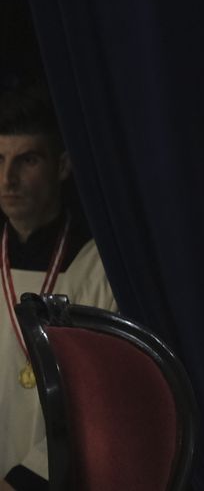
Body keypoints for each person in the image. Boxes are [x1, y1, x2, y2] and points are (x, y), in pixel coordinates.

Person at [0, 86, 116, 491]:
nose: (7, 178)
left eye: (26, 159)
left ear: (62, 165)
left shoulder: (99, 266)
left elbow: (102, 396)